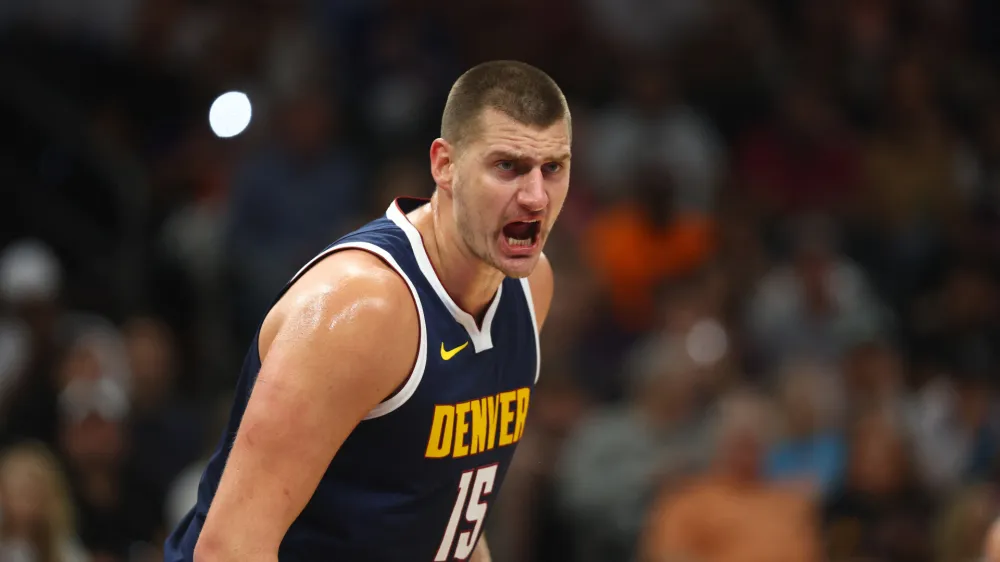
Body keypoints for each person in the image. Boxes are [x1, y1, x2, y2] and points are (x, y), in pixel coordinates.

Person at [163, 60, 570, 562]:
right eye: (507, 167)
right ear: (445, 165)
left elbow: (450, 520)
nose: (535, 197)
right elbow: (229, 548)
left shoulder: (532, 287)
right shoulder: (361, 309)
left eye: (553, 168)